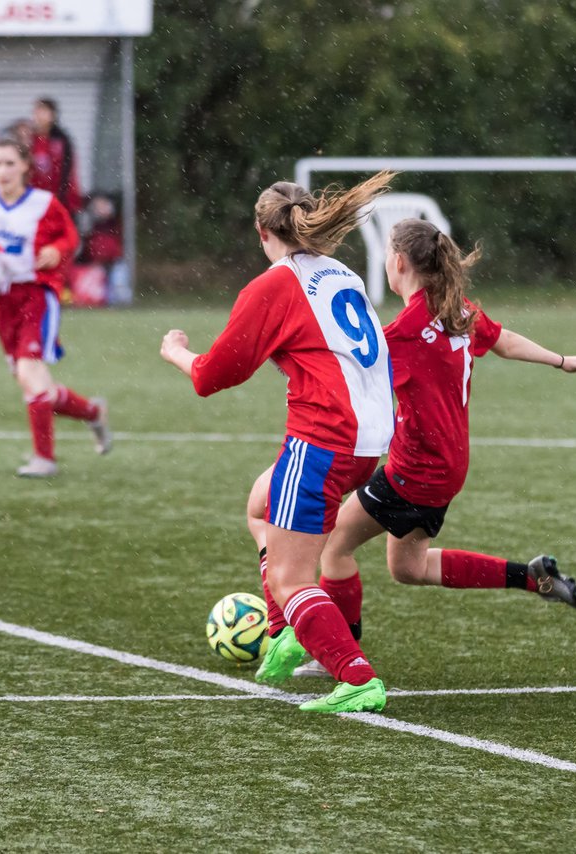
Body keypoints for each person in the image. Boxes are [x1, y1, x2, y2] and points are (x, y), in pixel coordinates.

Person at [249, 218, 576, 677]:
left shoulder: (405, 333)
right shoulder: (457, 311)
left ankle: (336, 652)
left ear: (397, 263)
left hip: (414, 472)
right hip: (448, 468)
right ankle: (531, 576)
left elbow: (346, 372)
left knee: (334, 547)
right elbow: (503, 341)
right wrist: (564, 361)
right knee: (408, 567)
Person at [159, 172, 397, 714]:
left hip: (322, 440)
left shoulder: (274, 284)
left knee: (292, 579)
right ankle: (287, 630)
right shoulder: (342, 274)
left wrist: (176, 349)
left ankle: (356, 677)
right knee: (262, 503)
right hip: (366, 442)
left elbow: (210, 376)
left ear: (261, 231)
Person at [0, 139, 112, 478]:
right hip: (2, 299)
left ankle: (45, 459)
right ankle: (93, 412)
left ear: (25, 166)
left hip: (38, 293)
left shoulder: (43, 203)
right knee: (36, 385)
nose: (2, 171)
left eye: (9, 163)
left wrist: (56, 250)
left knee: (30, 373)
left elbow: (69, 237)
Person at [29, 98, 83, 214]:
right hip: (34, 197)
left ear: (53, 115)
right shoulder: (29, 139)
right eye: (37, 112)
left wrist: (71, 198)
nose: (39, 116)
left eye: (44, 111)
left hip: (57, 196)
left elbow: (70, 171)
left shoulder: (62, 141)